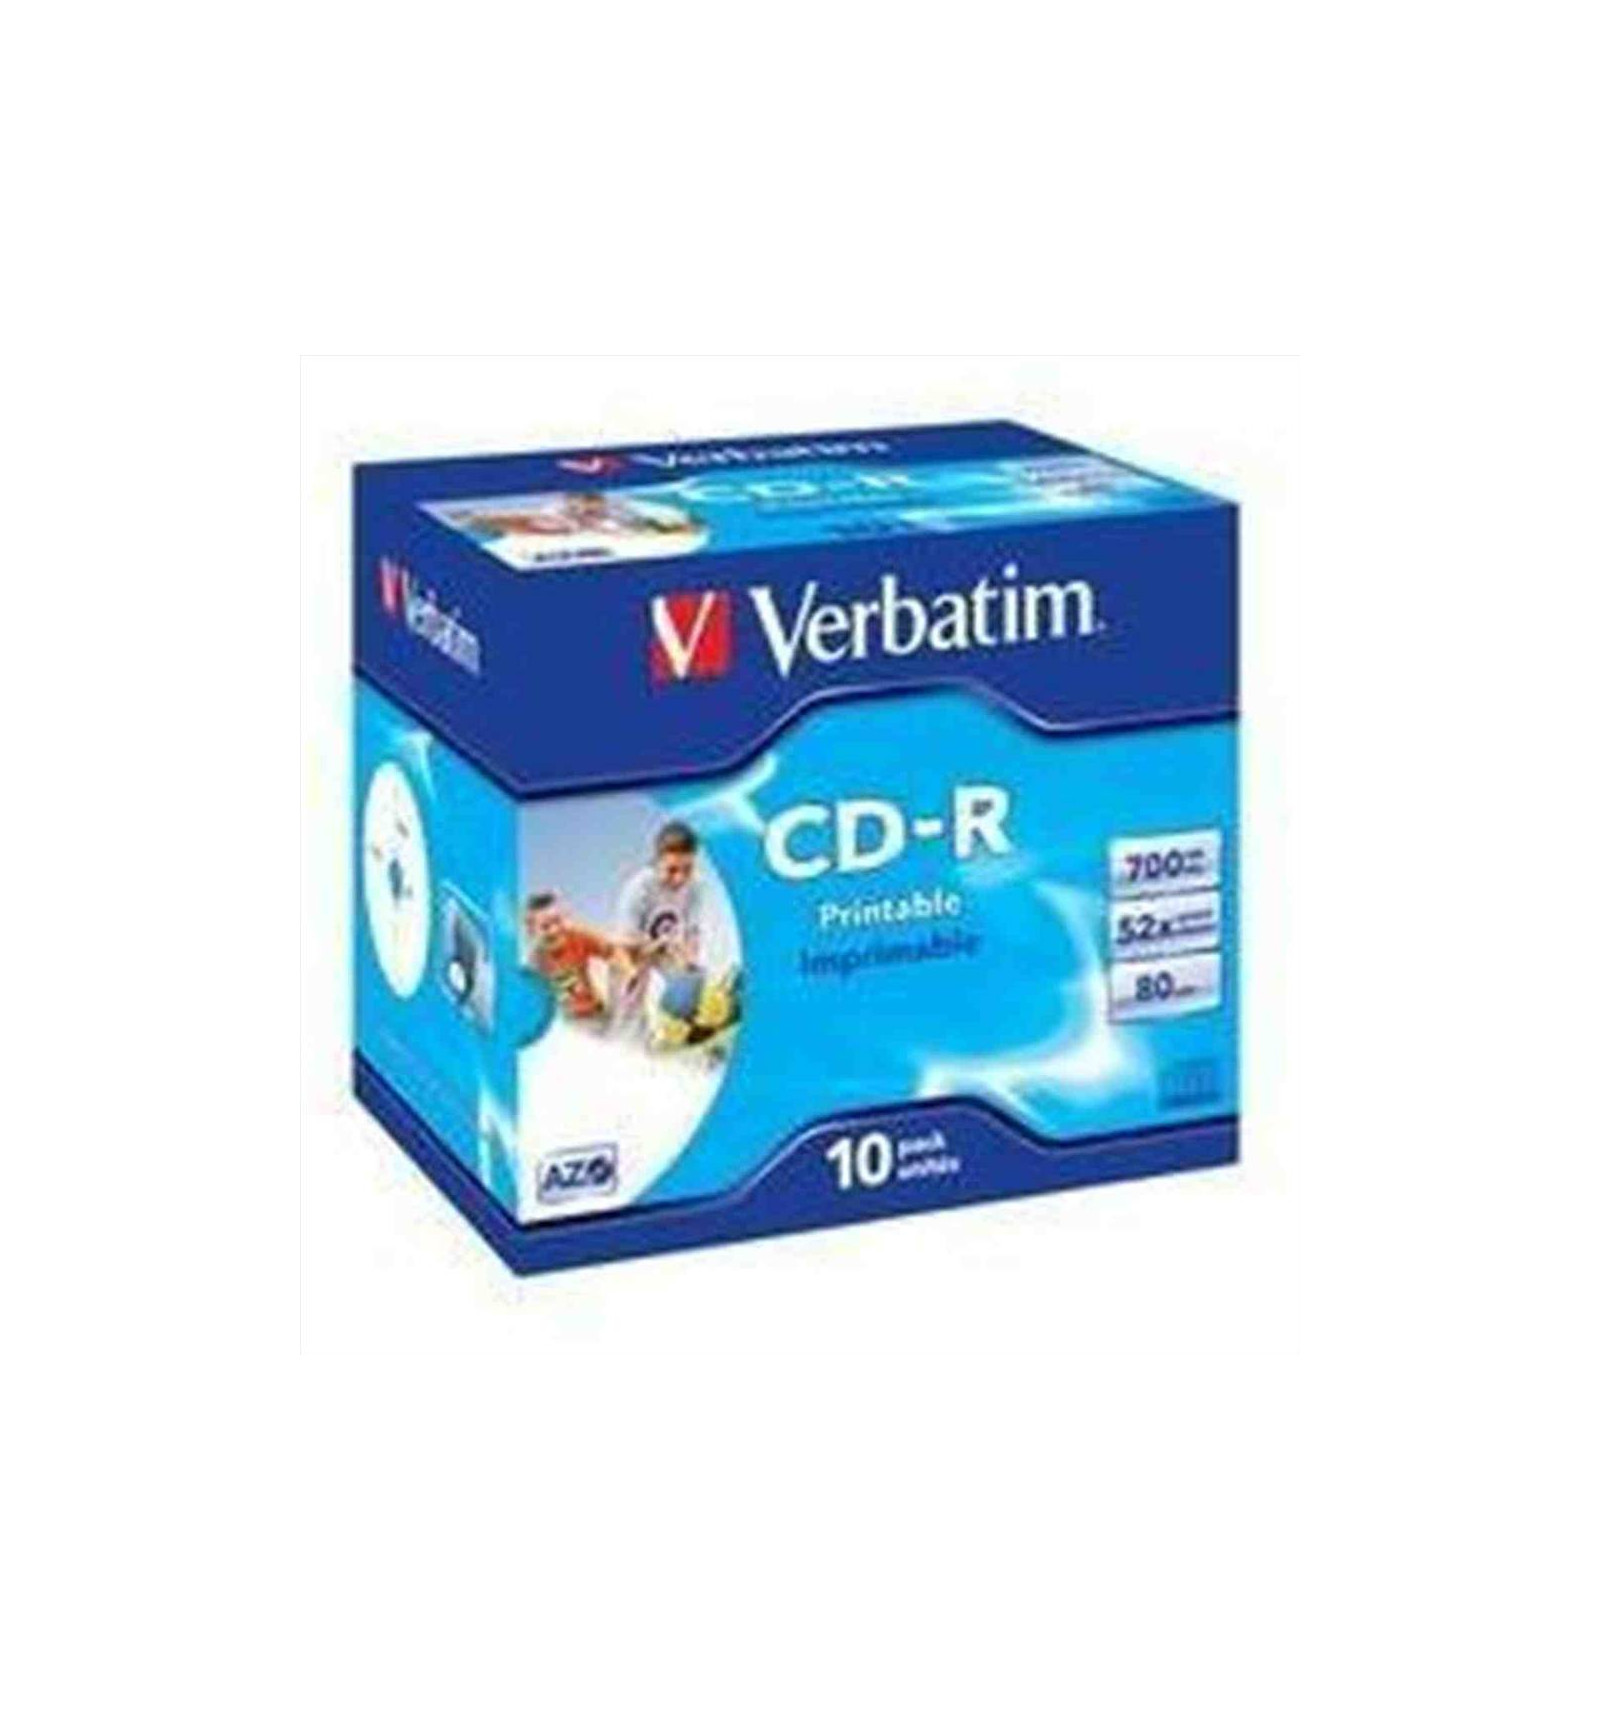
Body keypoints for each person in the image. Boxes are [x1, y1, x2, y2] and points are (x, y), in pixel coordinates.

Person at [613, 822, 703, 1035]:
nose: (680, 878)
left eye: (687, 869)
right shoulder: (638, 888)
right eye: (671, 870)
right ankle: (631, 1041)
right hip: (634, 950)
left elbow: (692, 931)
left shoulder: (695, 885)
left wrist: (689, 961)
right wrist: (656, 946)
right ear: (657, 861)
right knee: (629, 1004)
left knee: (691, 981)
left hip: (667, 945)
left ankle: (687, 1028)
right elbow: (624, 944)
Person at [523, 891, 619, 1026]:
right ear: (531, 931)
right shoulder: (535, 962)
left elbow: (612, 951)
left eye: (558, 921)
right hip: (565, 1022)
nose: (554, 930)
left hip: (594, 1014)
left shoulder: (577, 937)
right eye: (545, 927)